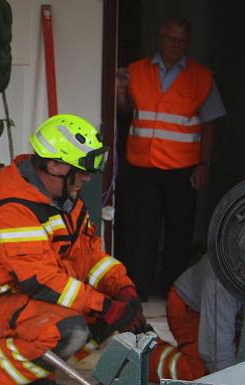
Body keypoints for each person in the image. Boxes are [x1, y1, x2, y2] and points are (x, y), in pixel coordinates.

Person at [0, 113, 146, 385]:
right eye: (81, 171)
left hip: (26, 296)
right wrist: (103, 305)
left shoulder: (65, 199)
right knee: (71, 328)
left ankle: (33, 371)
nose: (86, 179)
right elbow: (40, 279)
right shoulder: (14, 207)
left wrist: (122, 290)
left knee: (102, 318)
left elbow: (91, 256)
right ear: (55, 166)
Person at [116, 17, 226, 299]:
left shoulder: (202, 77)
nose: (176, 45)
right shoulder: (136, 71)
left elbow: (210, 124)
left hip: (183, 169)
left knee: (179, 233)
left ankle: (173, 294)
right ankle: (139, 290)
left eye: (182, 41)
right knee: (143, 231)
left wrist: (205, 164)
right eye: (172, 39)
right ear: (160, 38)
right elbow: (125, 109)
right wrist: (118, 89)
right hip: (142, 165)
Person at [148, 253, 244, 381]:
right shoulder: (222, 276)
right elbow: (218, 355)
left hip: (232, 318)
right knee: (206, 373)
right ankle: (143, 356)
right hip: (189, 310)